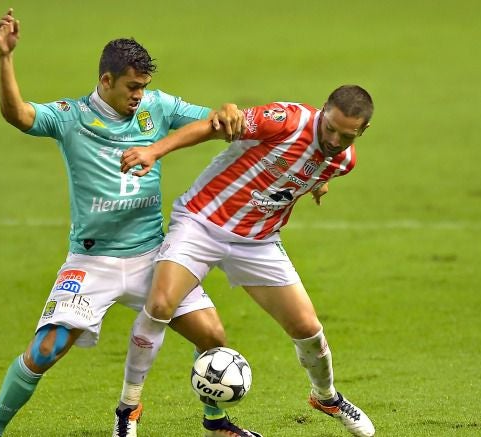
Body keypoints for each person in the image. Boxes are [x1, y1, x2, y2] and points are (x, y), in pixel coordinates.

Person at [0, 8, 262, 437]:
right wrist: (6, 59)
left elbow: (213, 123)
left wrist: (226, 112)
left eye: (143, 86)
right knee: (45, 349)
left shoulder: (158, 107)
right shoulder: (69, 116)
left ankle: (216, 420)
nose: (139, 95)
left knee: (214, 337)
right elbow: (17, 114)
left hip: (153, 256)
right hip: (92, 260)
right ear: (106, 81)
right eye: (132, 86)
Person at [118, 85, 377, 437]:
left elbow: (315, 170)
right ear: (323, 110)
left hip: (257, 243)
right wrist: (154, 151)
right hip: (201, 222)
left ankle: (326, 397)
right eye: (329, 127)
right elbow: (214, 126)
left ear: (361, 132)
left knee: (308, 329)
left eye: (346, 135)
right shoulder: (286, 120)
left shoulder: (344, 161)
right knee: (161, 303)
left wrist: (319, 184)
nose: (333, 139)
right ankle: (128, 410)